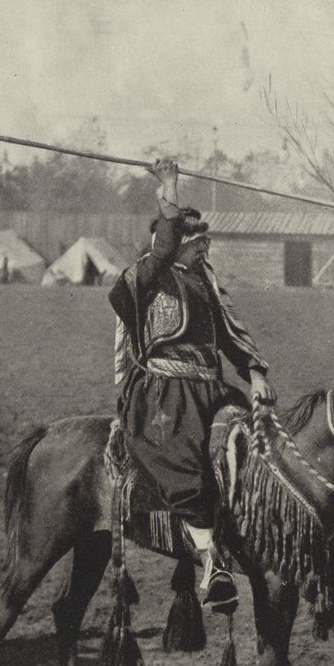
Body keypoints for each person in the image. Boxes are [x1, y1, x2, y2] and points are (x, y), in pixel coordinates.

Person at [109, 158, 277, 612]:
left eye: (206, 242)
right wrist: (169, 188)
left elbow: (232, 334)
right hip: (163, 396)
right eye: (198, 242)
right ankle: (210, 562)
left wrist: (256, 372)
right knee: (186, 464)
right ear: (174, 244)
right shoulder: (142, 279)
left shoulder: (205, 284)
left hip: (212, 391)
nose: (205, 249)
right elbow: (162, 249)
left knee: (253, 447)